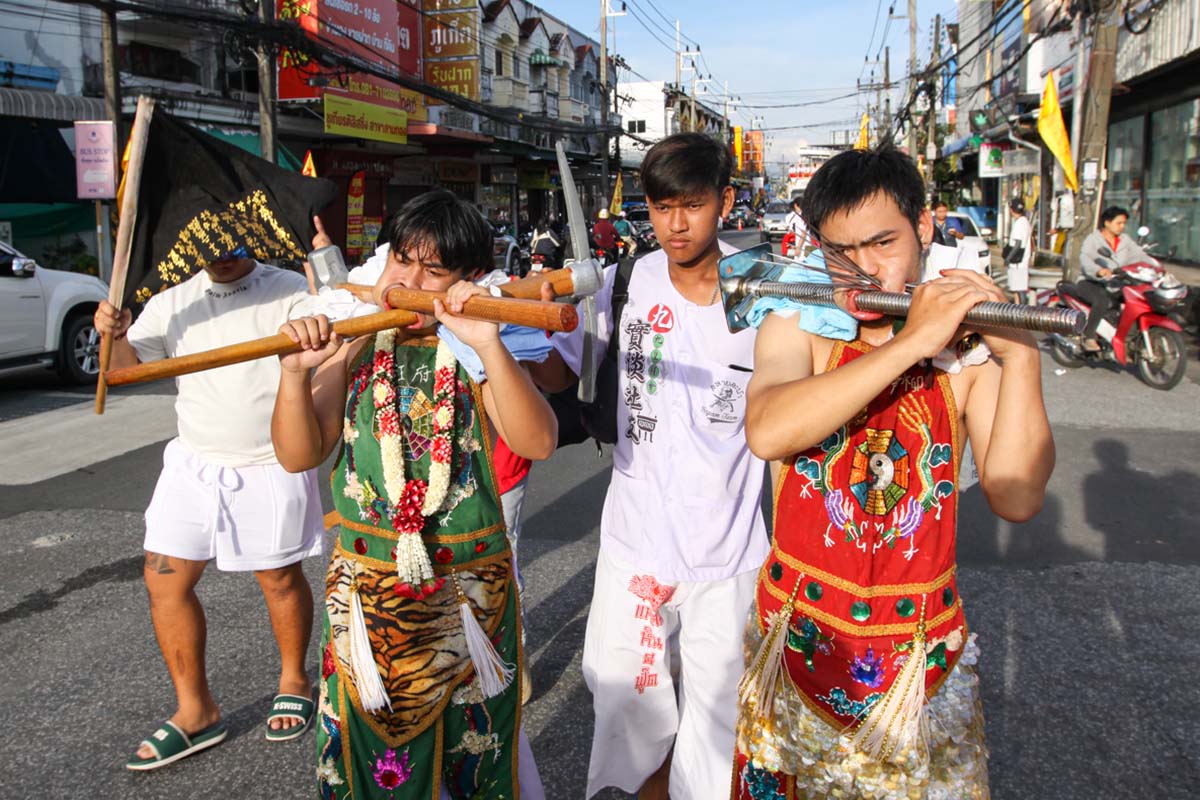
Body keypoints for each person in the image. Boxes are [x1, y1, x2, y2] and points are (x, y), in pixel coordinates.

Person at [732, 147, 1054, 799]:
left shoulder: (967, 354)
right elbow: (768, 429)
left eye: (883, 243)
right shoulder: (798, 320)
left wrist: (1020, 359)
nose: (861, 271)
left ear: (925, 229)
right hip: (800, 651)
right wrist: (912, 341)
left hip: (920, 659)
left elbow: (1016, 495)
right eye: (839, 252)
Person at [272, 190, 554, 799]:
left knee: (476, 758)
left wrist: (485, 343)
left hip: (467, 597)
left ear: (469, 279)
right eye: (402, 261)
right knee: (370, 764)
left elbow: (538, 441)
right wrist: (295, 375)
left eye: (434, 270)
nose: (410, 281)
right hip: (367, 595)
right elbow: (299, 453)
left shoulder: (479, 346)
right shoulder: (355, 343)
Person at [530, 132, 770, 800]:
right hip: (636, 543)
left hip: (731, 553)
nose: (676, 223)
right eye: (662, 206)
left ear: (725, 201)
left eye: (692, 205)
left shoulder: (766, 292)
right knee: (628, 716)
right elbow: (567, 372)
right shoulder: (624, 281)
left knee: (719, 730)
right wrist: (514, 333)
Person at [94, 231, 326, 771]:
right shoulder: (173, 299)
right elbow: (126, 370)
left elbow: (326, 337)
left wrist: (321, 298)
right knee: (163, 579)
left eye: (233, 244)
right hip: (194, 460)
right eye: (211, 246)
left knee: (277, 577)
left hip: (271, 459)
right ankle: (195, 710)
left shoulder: (290, 290)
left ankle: (294, 677)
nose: (223, 255)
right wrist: (116, 334)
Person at [1075, 205, 1156, 350]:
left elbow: (1140, 255)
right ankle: (1089, 335)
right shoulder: (1093, 239)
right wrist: (1098, 270)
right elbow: (1085, 258)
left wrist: (1156, 267)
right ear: (1107, 223)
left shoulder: (1125, 240)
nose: (1122, 227)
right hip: (1091, 281)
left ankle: (1127, 337)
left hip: (1116, 282)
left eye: (1124, 223)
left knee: (1136, 300)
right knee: (1101, 301)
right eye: (1119, 223)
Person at [1005, 197, 1033, 304]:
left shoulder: (1020, 224)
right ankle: (1018, 310)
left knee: (1019, 290)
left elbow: (1017, 244)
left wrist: (1008, 258)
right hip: (1021, 262)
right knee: (1018, 290)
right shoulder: (1024, 222)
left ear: (1011, 210)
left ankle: (1021, 312)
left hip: (1017, 263)